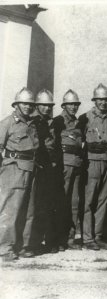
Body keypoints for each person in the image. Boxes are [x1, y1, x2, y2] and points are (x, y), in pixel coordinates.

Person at [21, 89, 63, 256]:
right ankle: (30, 244)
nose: (47, 109)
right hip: (35, 168)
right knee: (34, 207)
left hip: (49, 169)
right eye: (43, 106)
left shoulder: (51, 123)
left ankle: (49, 241)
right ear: (36, 106)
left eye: (49, 106)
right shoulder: (32, 122)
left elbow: (53, 146)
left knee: (48, 205)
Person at [0, 88, 38, 261]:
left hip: (31, 168)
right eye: (25, 103)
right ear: (16, 105)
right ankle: (5, 249)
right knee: (10, 210)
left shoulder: (31, 124)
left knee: (28, 211)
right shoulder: (8, 123)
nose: (28, 107)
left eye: (31, 104)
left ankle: (23, 246)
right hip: (13, 169)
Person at [78, 83, 107, 251]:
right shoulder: (85, 118)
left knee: (104, 199)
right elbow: (79, 140)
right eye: (100, 100)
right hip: (91, 161)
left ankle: (98, 235)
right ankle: (87, 238)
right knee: (89, 200)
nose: (103, 102)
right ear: (95, 100)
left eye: (105, 99)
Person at [53, 89, 83, 250]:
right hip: (64, 165)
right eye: (70, 104)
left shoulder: (78, 123)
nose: (73, 107)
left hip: (77, 164)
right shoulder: (58, 121)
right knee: (61, 202)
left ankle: (69, 239)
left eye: (76, 104)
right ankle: (57, 240)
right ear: (64, 105)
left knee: (74, 204)